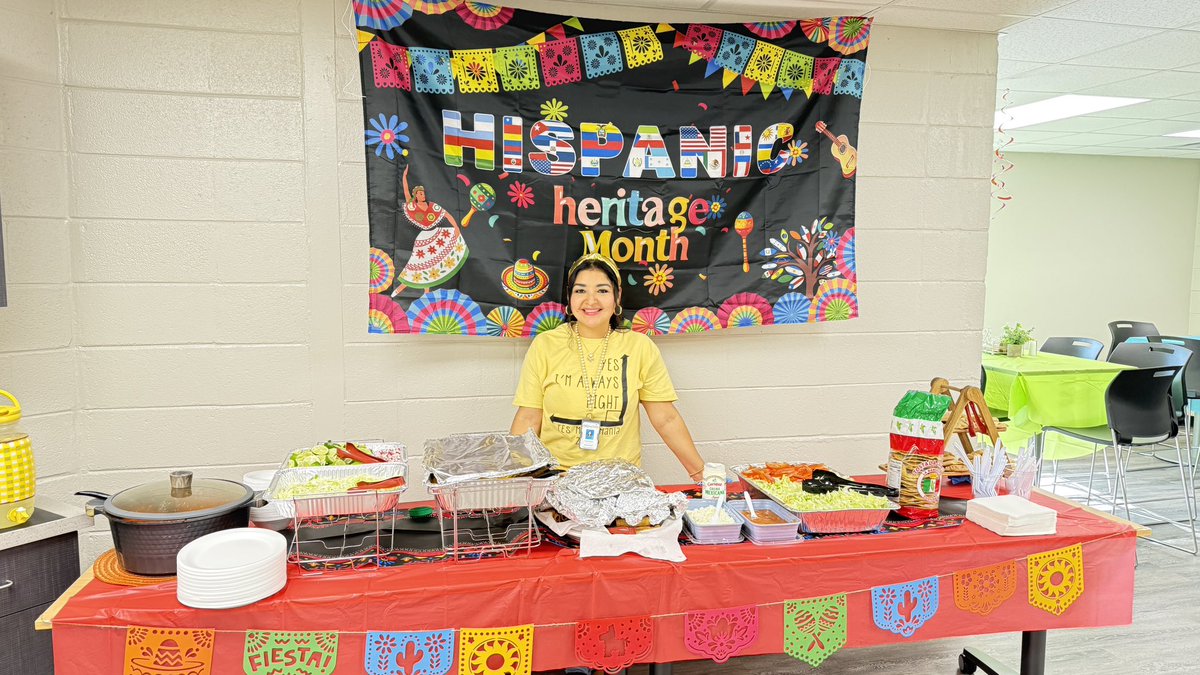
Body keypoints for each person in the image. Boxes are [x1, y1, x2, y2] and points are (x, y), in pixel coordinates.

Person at [511, 251, 706, 482]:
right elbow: (528, 419)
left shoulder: (640, 347)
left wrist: (701, 474)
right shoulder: (545, 345)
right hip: (558, 481)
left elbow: (666, 418)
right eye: (580, 290)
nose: (590, 300)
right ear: (569, 297)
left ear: (617, 296)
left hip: (622, 481)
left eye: (602, 290)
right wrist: (514, 481)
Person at [390, 164, 468, 297]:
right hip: (424, 238)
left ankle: (426, 293)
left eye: (423, 193)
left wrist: (456, 228)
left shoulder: (432, 206)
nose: (423, 194)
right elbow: (406, 192)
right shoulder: (413, 206)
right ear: (416, 195)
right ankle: (402, 286)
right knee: (418, 264)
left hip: (436, 234)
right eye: (420, 193)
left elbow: (447, 215)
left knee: (429, 267)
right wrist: (404, 176)